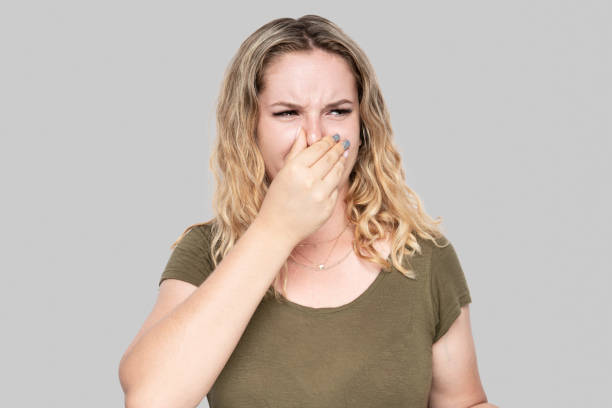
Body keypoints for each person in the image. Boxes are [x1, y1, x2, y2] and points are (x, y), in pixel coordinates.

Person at [118, 14, 497, 408]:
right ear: (250, 126)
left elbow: (465, 402)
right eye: (287, 113)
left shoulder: (422, 257)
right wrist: (276, 228)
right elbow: (151, 399)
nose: (315, 137)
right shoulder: (207, 253)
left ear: (363, 127)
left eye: (338, 111)